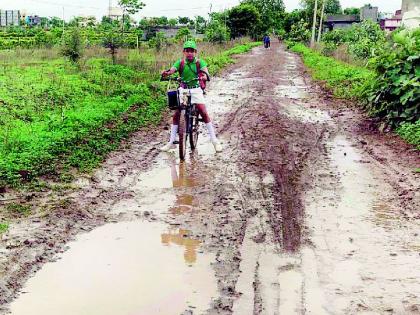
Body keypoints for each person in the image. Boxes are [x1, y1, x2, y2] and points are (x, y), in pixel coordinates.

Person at [160, 40, 222, 153]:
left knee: (203, 112)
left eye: (192, 51)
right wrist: (167, 73)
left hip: (196, 90)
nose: (190, 53)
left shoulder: (200, 62)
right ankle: (170, 142)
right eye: (187, 51)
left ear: (195, 52)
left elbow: (206, 73)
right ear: (184, 52)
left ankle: (215, 141)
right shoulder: (180, 63)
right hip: (183, 90)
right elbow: (172, 69)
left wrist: (204, 76)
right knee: (177, 114)